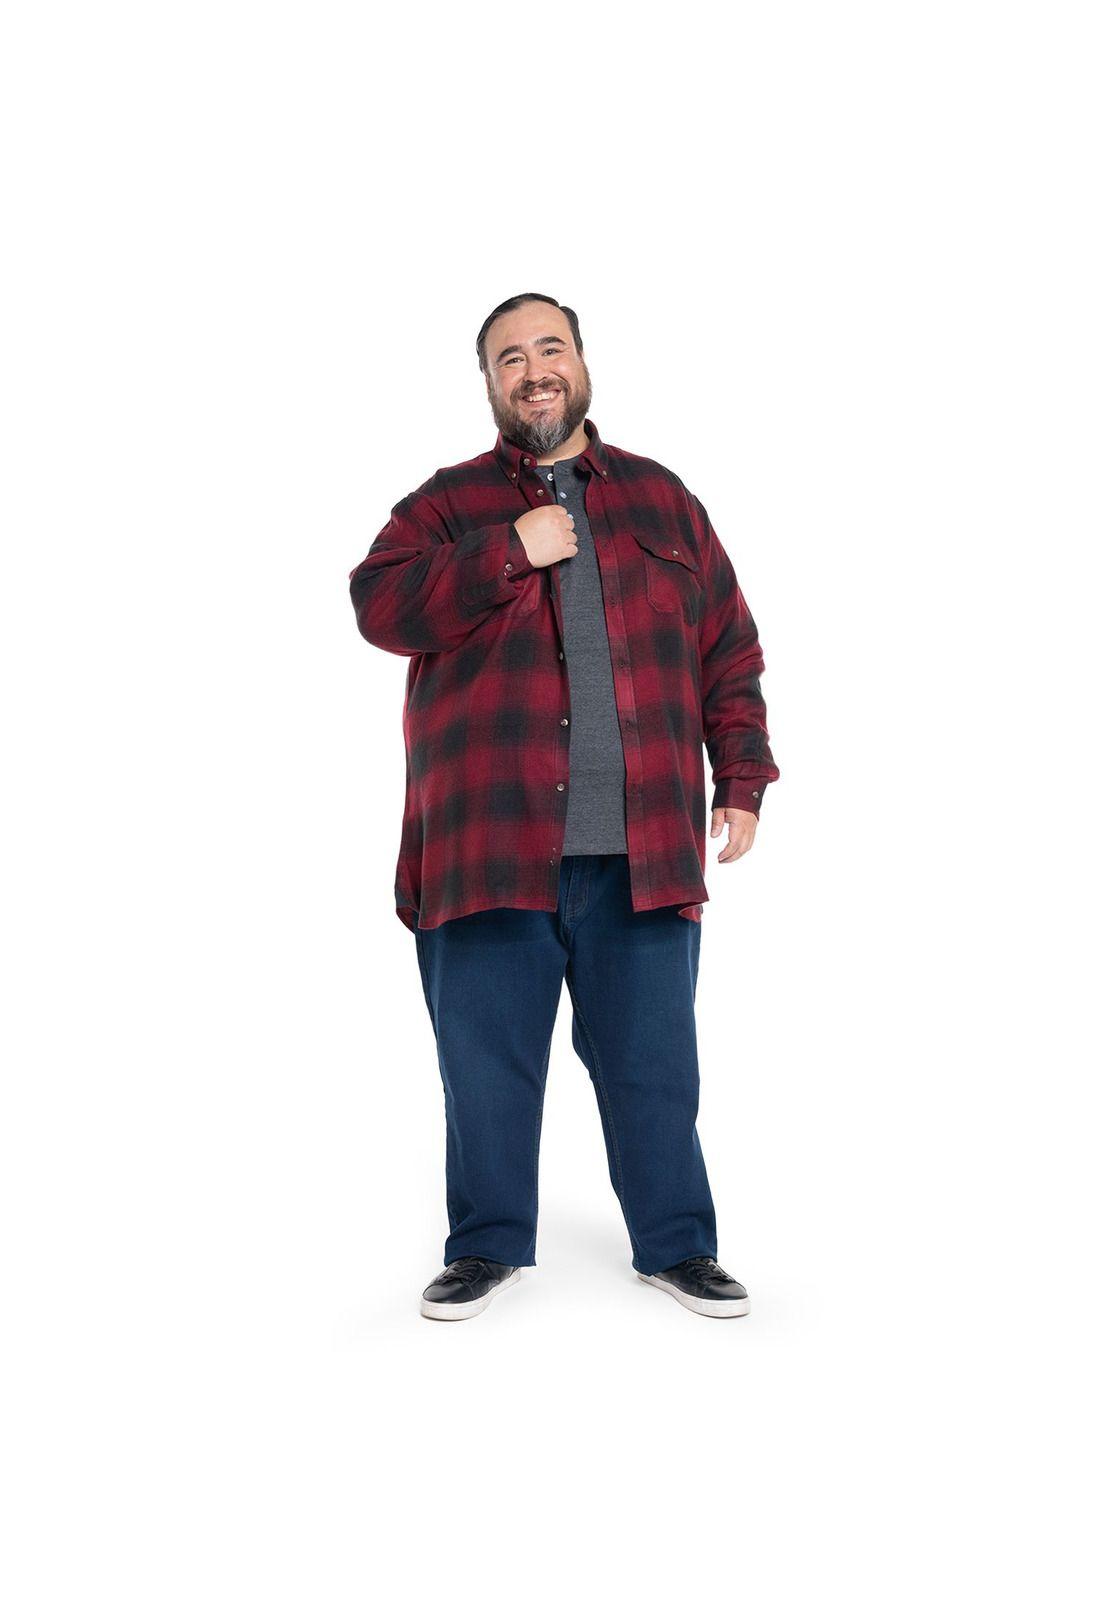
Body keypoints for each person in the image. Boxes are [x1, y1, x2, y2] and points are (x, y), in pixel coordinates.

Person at [347, 292, 780, 1321]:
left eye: (550, 348)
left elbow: (728, 647)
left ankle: (678, 1246)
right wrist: (509, 548)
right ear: (489, 382)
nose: (534, 369)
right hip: (489, 851)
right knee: (485, 1069)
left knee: (655, 1068)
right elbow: (378, 605)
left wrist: (743, 778)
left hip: (643, 850)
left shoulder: (664, 501)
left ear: (581, 362)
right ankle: (485, 1245)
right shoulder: (447, 506)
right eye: (510, 357)